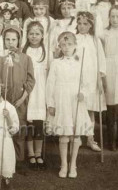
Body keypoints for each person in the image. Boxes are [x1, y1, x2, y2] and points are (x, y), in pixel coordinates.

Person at [46, 32, 93, 178]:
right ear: (59, 46)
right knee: (64, 135)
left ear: (75, 46)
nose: (66, 48)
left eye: (69, 44)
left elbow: (87, 83)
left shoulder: (81, 63)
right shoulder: (55, 63)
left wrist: (83, 93)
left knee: (76, 134)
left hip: (75, 100)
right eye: (63, 45)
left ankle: (73, 164)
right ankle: (64, 164)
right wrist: (51, 103)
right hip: (61, 100)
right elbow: (50, 85)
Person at [0, 25, 35, 174]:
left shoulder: (25, 58)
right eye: (8, 39)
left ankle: (19, 159)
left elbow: (30, 81)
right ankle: (2, 160)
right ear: (4, 41)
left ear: (19, 40)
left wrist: (22, 98)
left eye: (14, 39)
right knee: (4, 128)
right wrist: (0, 97)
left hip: (19, 100)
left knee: (19, 129)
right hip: (4, 99)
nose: (11, 42)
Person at [75, 11, 106, 152]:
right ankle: (77, 137)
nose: (82, 26)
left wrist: (100, 78)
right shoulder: (74, 38)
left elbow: (101, 60)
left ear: (91, 25)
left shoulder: (95, 40)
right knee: (77, 108)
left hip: (91, 78)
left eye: (85, 24)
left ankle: (90, 138)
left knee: (90, 110)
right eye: (79, 23)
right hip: (77, 78)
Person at [22, 21, 47, 170]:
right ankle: (30, 153)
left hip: (41, 90)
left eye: (37, 34)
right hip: (29, 89)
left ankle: (38, 153)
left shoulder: (47, 52)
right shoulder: (24, 51)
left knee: (39, 122)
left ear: (42, 35)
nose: (34, 36)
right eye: (31, 33)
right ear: (27, 35)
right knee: (29, 122)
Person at [103, 5, 118, 151]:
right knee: (111, 106)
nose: (115, 19)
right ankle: (111, 141)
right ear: (108, 17)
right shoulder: (104, 34)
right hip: (109, 68)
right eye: (112, 16)